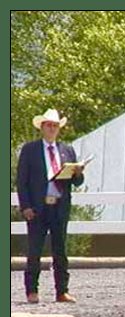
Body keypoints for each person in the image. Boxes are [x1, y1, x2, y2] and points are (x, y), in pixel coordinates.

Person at [17, 109, 85, 304]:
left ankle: (62, 291)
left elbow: (77, 182)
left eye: (55, 126)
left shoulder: (67, 150)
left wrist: (78, 172)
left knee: (60, 250)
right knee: (35, 250)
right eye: (49, 125)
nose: (52, 129)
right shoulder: (30, 150)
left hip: (59, 206)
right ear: (42, 127)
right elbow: (22, 181)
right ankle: (32, 291)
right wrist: (26, 206)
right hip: (38, 207)